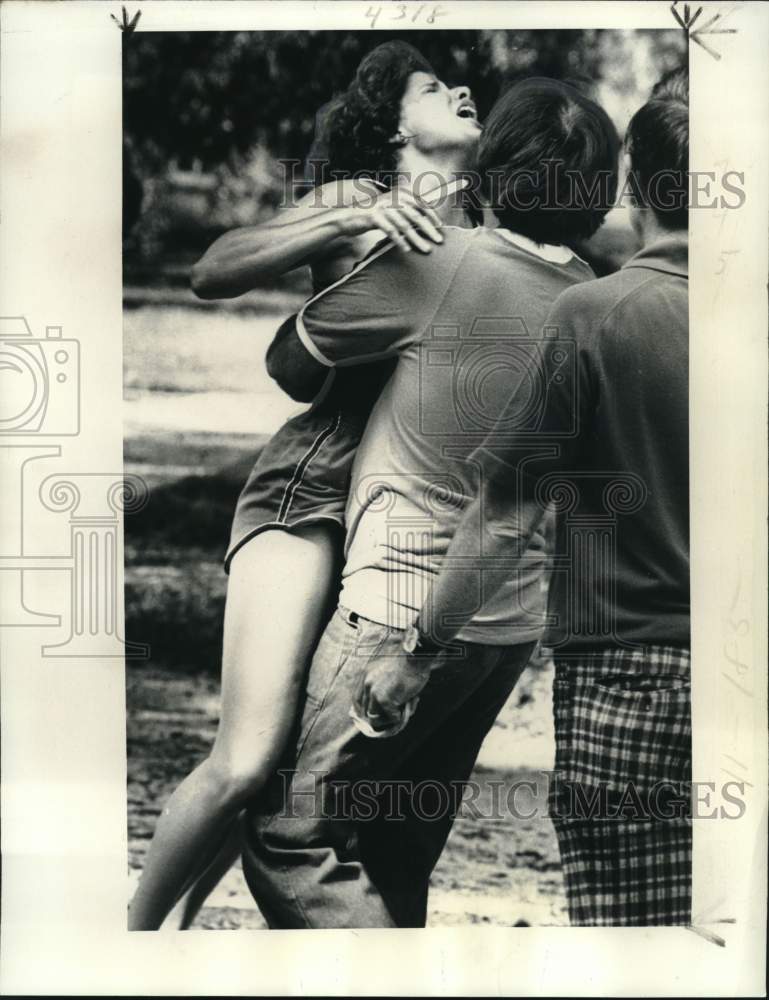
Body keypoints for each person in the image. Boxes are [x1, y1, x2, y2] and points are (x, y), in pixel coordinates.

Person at [241, 77, 619, 928]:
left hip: (395, 610)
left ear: (492, 168)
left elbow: (290, 363)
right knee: (396, 851)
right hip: (508, 622)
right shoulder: (596, 299)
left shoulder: (438, 262)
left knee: (288, 839)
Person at [128, 41, 483, 931]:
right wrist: (343, 221)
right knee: (248, 758)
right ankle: (122, 946)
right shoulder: (354, 201)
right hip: (314, 488)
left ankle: (179, 934)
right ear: (395, 125)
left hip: (406, 512)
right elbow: (213, 272)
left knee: (298, 762)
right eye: (436, 87)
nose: (465, 90)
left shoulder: (485, 221)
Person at [365, 70, 691, 926]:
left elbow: (506, 514)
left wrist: (418, 648)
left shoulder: (595, 316)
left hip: (628, 675)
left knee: (632, 940)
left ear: (634, 183)